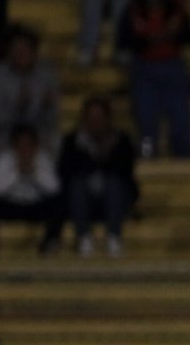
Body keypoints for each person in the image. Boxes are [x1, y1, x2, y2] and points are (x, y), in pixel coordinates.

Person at [119, 0, 190, 159]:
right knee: (146, 122)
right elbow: (123, 41)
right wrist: (146, 39)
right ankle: (147, 158)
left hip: (173, 68)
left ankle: (183, 158)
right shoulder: (134, 9)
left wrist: (174, 33)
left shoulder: (176, 9)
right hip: (144, 69)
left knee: (181, 118)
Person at [58, 96, 137, 257]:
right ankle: (84, 237)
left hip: (115, 199)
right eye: (91, 117)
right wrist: (89, 152)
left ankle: (114, 237)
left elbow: (126, 172)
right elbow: (66, 172)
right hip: (81, 200)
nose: (95, 121)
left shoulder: (122, 140)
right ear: (84, 119)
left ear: (107, 118)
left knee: (114, 183)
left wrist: (106, 154)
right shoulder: (72, 141)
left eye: (99, 117)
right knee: (77, 185)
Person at [0, 124, 63, 256]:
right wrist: (17, 172)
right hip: (12, 205)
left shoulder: (43, 159)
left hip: (35, 206)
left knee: (58, 204)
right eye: (21, 144)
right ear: (14, 145)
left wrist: (34, 172)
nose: (25, 148)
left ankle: (49, 243)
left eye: (28, 144)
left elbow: (54, 188)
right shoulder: (4, 159)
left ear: (35, 145)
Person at [0, 27, 61, 159]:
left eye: (25, 49)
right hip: (6, 134)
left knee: (54, 142)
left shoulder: (47, 75)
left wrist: (46, 107)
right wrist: (16, 107)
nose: (20, 53)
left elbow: (53, 119)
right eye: (16, 49)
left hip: (38, 134)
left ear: (34, 51)